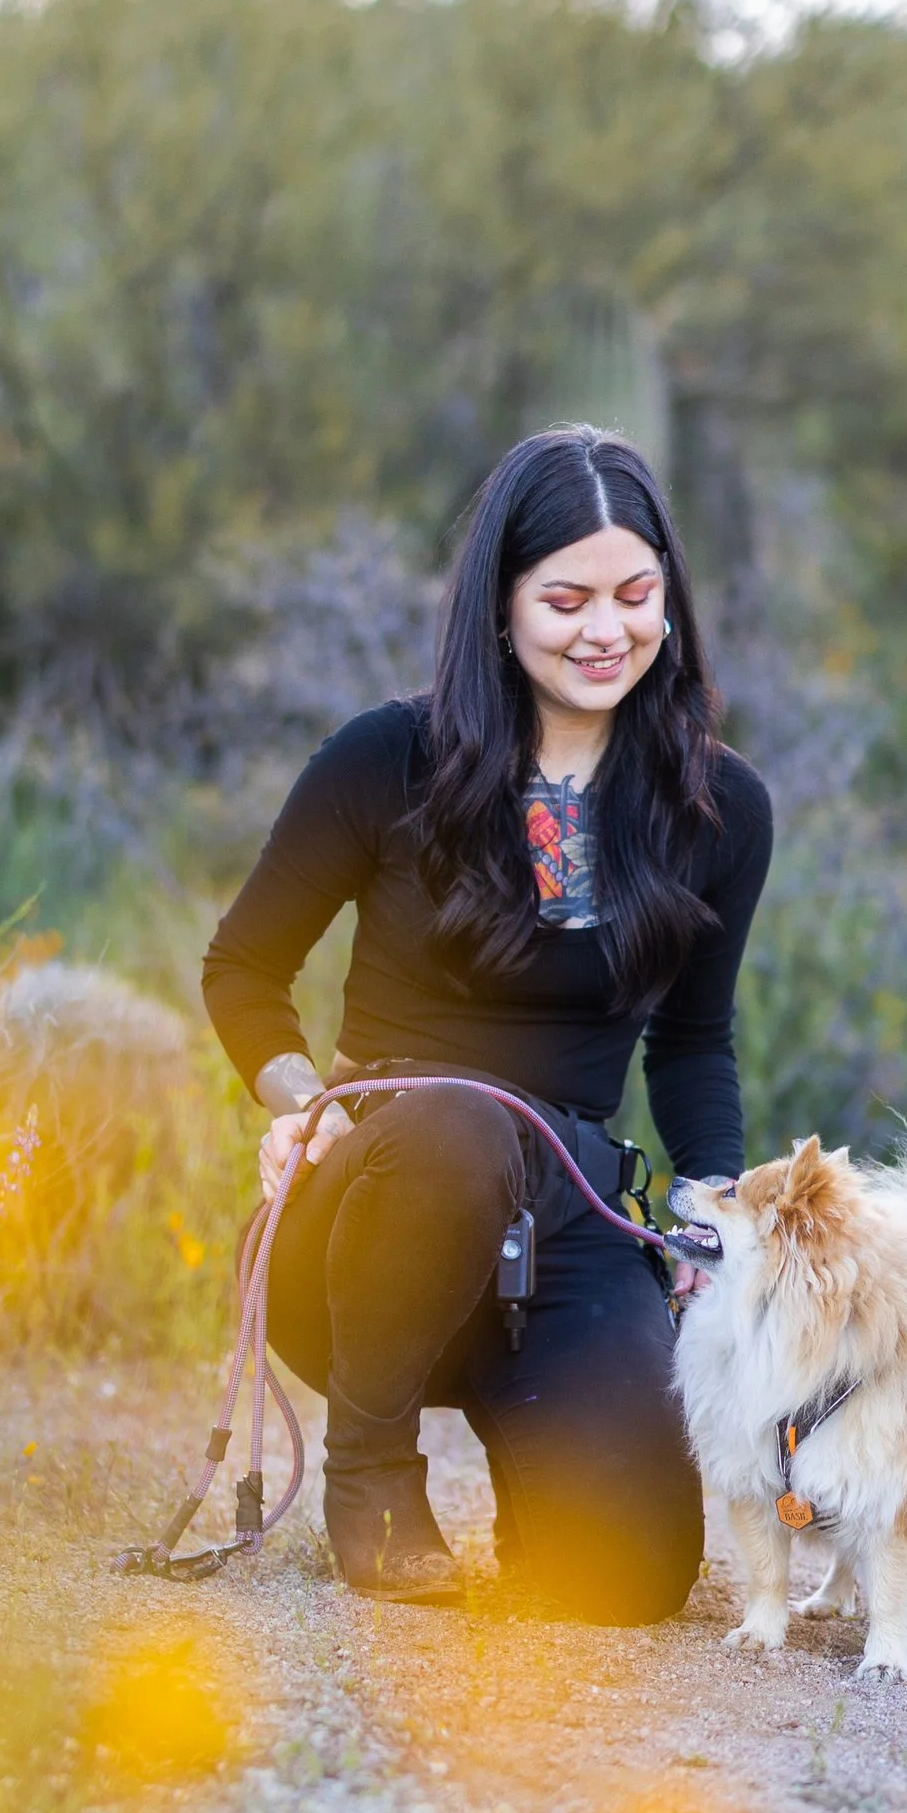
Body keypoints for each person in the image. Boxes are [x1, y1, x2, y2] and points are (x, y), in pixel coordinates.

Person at [201, 425, 773, 1614]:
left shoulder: (719, 810)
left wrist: (714, 1219)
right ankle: (370, 1473)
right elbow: (243, 970)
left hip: (563, 1206)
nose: (602, 630)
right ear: (501, 608)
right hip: (381, 1192)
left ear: (669, 600)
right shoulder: (384, 759)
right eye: (564, 598)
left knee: (625, 1580)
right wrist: (301, 1107)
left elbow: (693, 1041)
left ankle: (548, 1465)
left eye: (634, 595)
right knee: (457, 1125)